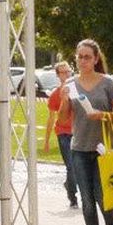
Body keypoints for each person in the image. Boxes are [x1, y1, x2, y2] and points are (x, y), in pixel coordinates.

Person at [64, 39, 113, 225]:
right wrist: (64, 99)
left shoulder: (107, 82)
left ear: (96, 59)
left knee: (102, 196)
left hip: (103, 149)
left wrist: (103, 115)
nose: (82, 61)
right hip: (79, 148)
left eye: (87, 57)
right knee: (87, 201)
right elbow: (64, 117)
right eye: (79, 57)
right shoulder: (71, 84)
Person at [44, 61, 80, 209]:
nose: (67, 74)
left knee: (78, 167)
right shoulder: (54, 95)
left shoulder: (77, 89)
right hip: (63, 133)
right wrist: (46, 141)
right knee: (71, 166)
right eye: (63, 72)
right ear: (58, 75)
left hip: (78, 132)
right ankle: (73, 197)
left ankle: (70, 186)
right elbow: (51, 118)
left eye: (68, 71)